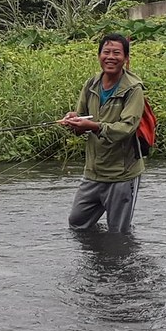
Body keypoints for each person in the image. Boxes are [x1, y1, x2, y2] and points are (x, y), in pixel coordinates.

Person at [58, 33, 146, 232]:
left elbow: (127, 128)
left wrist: (95, 126)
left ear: (126, 59)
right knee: (77, 223)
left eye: (117, 53)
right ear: (99, 56)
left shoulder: (133, 88)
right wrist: (73, 120)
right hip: (93, 172)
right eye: (106, 52)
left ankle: (118, 262)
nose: (111, 57)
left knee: (118, 232)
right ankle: (96, 259)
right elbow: (83, 117)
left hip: (122, 175)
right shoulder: (91, 84)